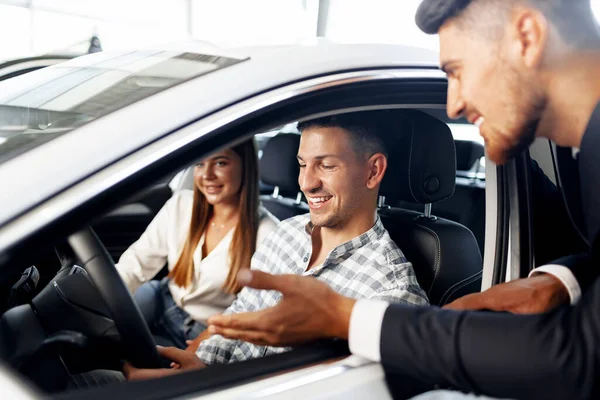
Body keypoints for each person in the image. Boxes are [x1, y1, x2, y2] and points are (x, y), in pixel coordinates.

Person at [205, 1, 600, 399]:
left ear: (527, 38)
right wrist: (564, 280)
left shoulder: (388, 280)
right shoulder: (579, 155)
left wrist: (346, 318)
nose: (454, 105)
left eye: (457, 71)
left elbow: (581, 356)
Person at [122, 111, 429, 381]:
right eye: (302, 164)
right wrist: (196, 365)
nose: (306, 183)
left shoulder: (391, 294)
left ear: (373, 171)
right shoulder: (285, 233)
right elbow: (241, 313)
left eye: (326, 166)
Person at [115, 138, 279, 349]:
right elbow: (135, 264)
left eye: (220, 163)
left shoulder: (268, 233)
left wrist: (207, 339)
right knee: (103, 333)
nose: (207, 175)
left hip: (207, 330)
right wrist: (101, 301)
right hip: (161, 299)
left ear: (246, 165)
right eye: (200, 164)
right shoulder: (181, 204)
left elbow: (251, 312)